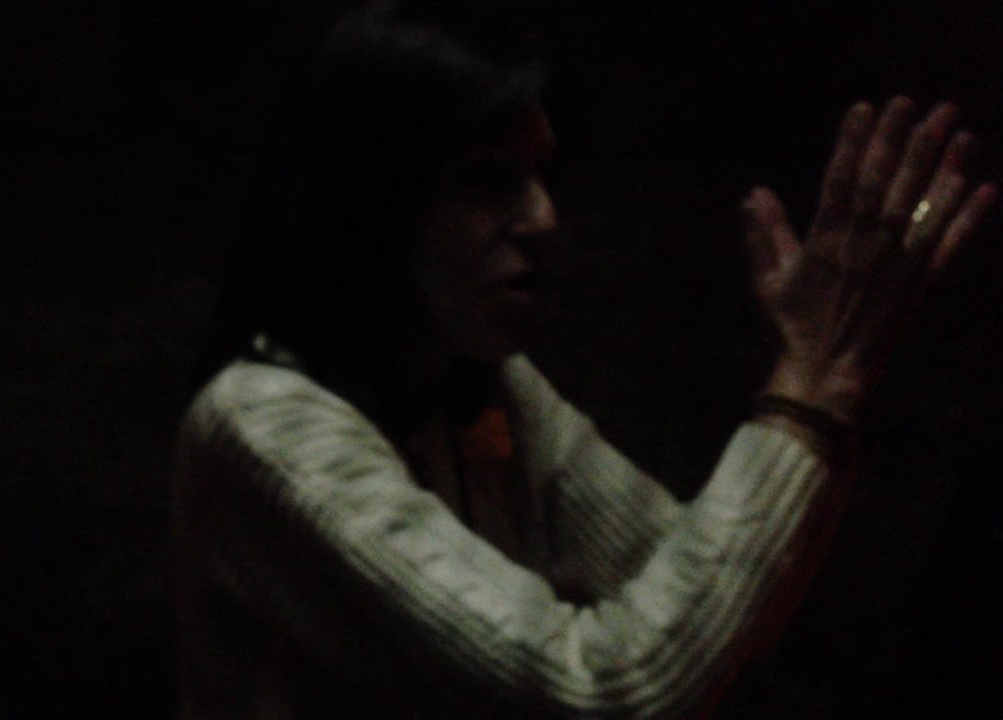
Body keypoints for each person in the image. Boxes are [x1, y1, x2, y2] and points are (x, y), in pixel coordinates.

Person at [170, 1, 996, 717]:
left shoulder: (486, 392)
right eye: (486, 180)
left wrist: (830, 383)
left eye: (541, 174)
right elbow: (599, 692)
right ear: (372, 199)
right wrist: (811, 387)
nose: (543, 217)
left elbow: (717, 614)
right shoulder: (262, 426)